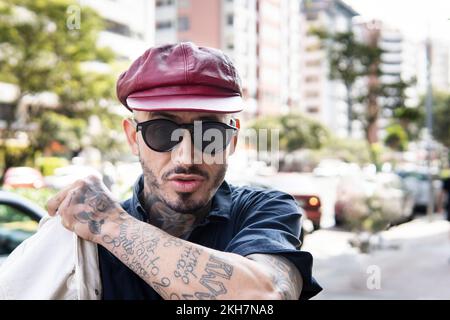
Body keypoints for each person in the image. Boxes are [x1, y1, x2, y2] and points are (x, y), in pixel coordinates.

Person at [0, 42, 321, 300]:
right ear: (132, 137)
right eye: (161, 131)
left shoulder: (264, 210)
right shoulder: (85, 242)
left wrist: (110, 224)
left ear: (232, 140)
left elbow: (265, 297)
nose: (185, 157)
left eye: (209, 132)